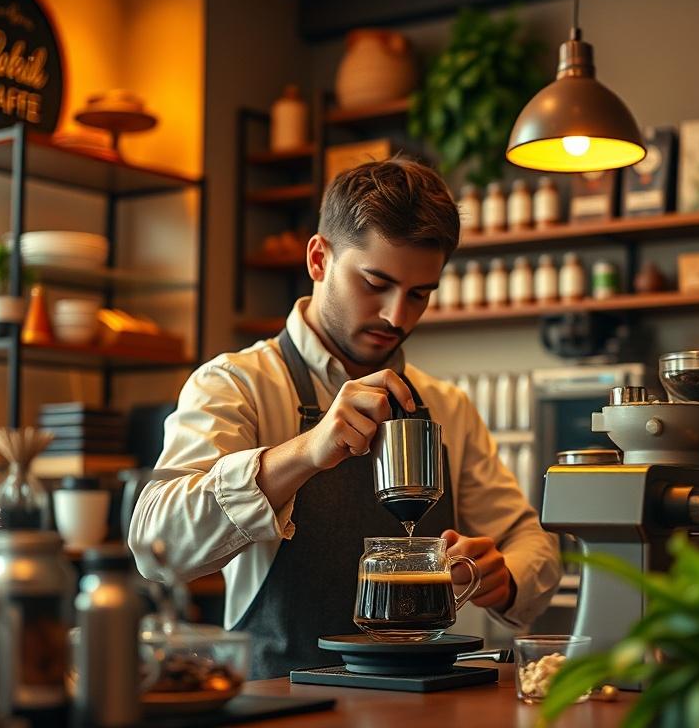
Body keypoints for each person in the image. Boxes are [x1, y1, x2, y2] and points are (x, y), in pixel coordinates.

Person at [128, 158, 561, 679]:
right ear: (318, 258)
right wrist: (306, 452)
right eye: (375, 282)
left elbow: (530, 539)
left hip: (420, 711)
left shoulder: (446, 405)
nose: (396, 316)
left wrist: (504, 575)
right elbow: (157, 547)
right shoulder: (236, 384)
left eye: (419, 294)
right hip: (280, 705)